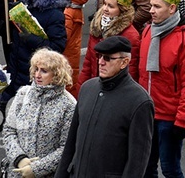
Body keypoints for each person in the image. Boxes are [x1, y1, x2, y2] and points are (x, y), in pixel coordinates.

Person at [57, 35, 154, 177]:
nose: (101, 62)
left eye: (108, 58)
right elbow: (71, 143)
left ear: (124, 62)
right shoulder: (87, 88)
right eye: (100, 56)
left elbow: (137, 162)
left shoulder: (139, 101)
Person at [140, 0, 185, 178]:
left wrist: (181, 122)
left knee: (170, 169)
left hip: (168, 119)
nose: (151, 10)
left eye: (157, 6)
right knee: (146, 168)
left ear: (172, 8)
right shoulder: (149, 30)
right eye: (151, 5)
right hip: (147, 115)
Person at [1, 49, 76, 178]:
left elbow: (66, 148)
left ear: (57, 74)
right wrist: (19, 159)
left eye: (44, 71)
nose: (37, 75)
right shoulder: (23, 94)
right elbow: (9, 130)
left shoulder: (68, 105)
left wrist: (35, 169)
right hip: (16, 172)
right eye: (36, 69)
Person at [4, 0, 69, 101]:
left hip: (33, 76)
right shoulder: (27, 5)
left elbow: (56, 48)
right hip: (15, 71)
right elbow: (2, 22)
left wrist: (31, 39)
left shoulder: (55, 15)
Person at [79, 0, 141, 89]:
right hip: (95, 85)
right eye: (105, 4)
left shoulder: (130, 36)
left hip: (115, 89)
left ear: (122, 11)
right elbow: (88, 62)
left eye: (111, 6)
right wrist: (81, 88)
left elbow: (131, 70)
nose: (105, 9)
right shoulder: (97, 27)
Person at [57, 0, 88, 95]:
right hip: (71, 55)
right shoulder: (74, 5)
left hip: (66, 56)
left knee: (66, 87)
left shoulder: (68, 11)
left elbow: (63, 36)